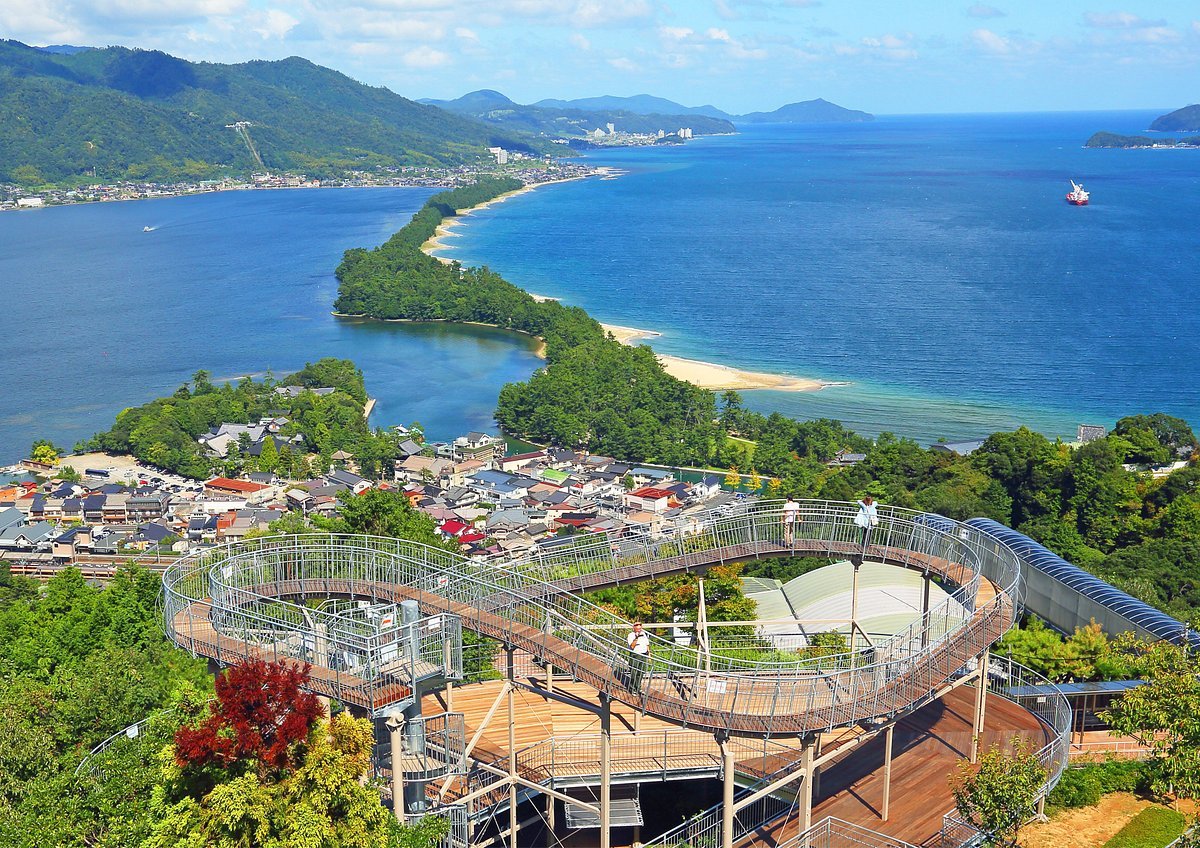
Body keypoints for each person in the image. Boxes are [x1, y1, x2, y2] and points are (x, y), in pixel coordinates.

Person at [854, 495, 879, 561]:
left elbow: (858, 501)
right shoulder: (873, 505)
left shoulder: (864, 506)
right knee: (870, 533)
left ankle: (863, 544)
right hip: (871, 521)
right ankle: (867, 544)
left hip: (866, 522)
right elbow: (876, 503)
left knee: (865, 533)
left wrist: (863, 501)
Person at [627, 621, 650, 691]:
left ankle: (638, 687)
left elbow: (647, 645)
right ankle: (632, 688)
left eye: (640, 626)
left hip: (644, 655)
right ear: (634, 627)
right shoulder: (630, 635)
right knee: (634, 672)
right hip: (635, 655)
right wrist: (636, 638)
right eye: (637, 625)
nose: (639, 627)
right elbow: (632, 646)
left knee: (641, 672)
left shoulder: (643, 634)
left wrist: (649, 655)